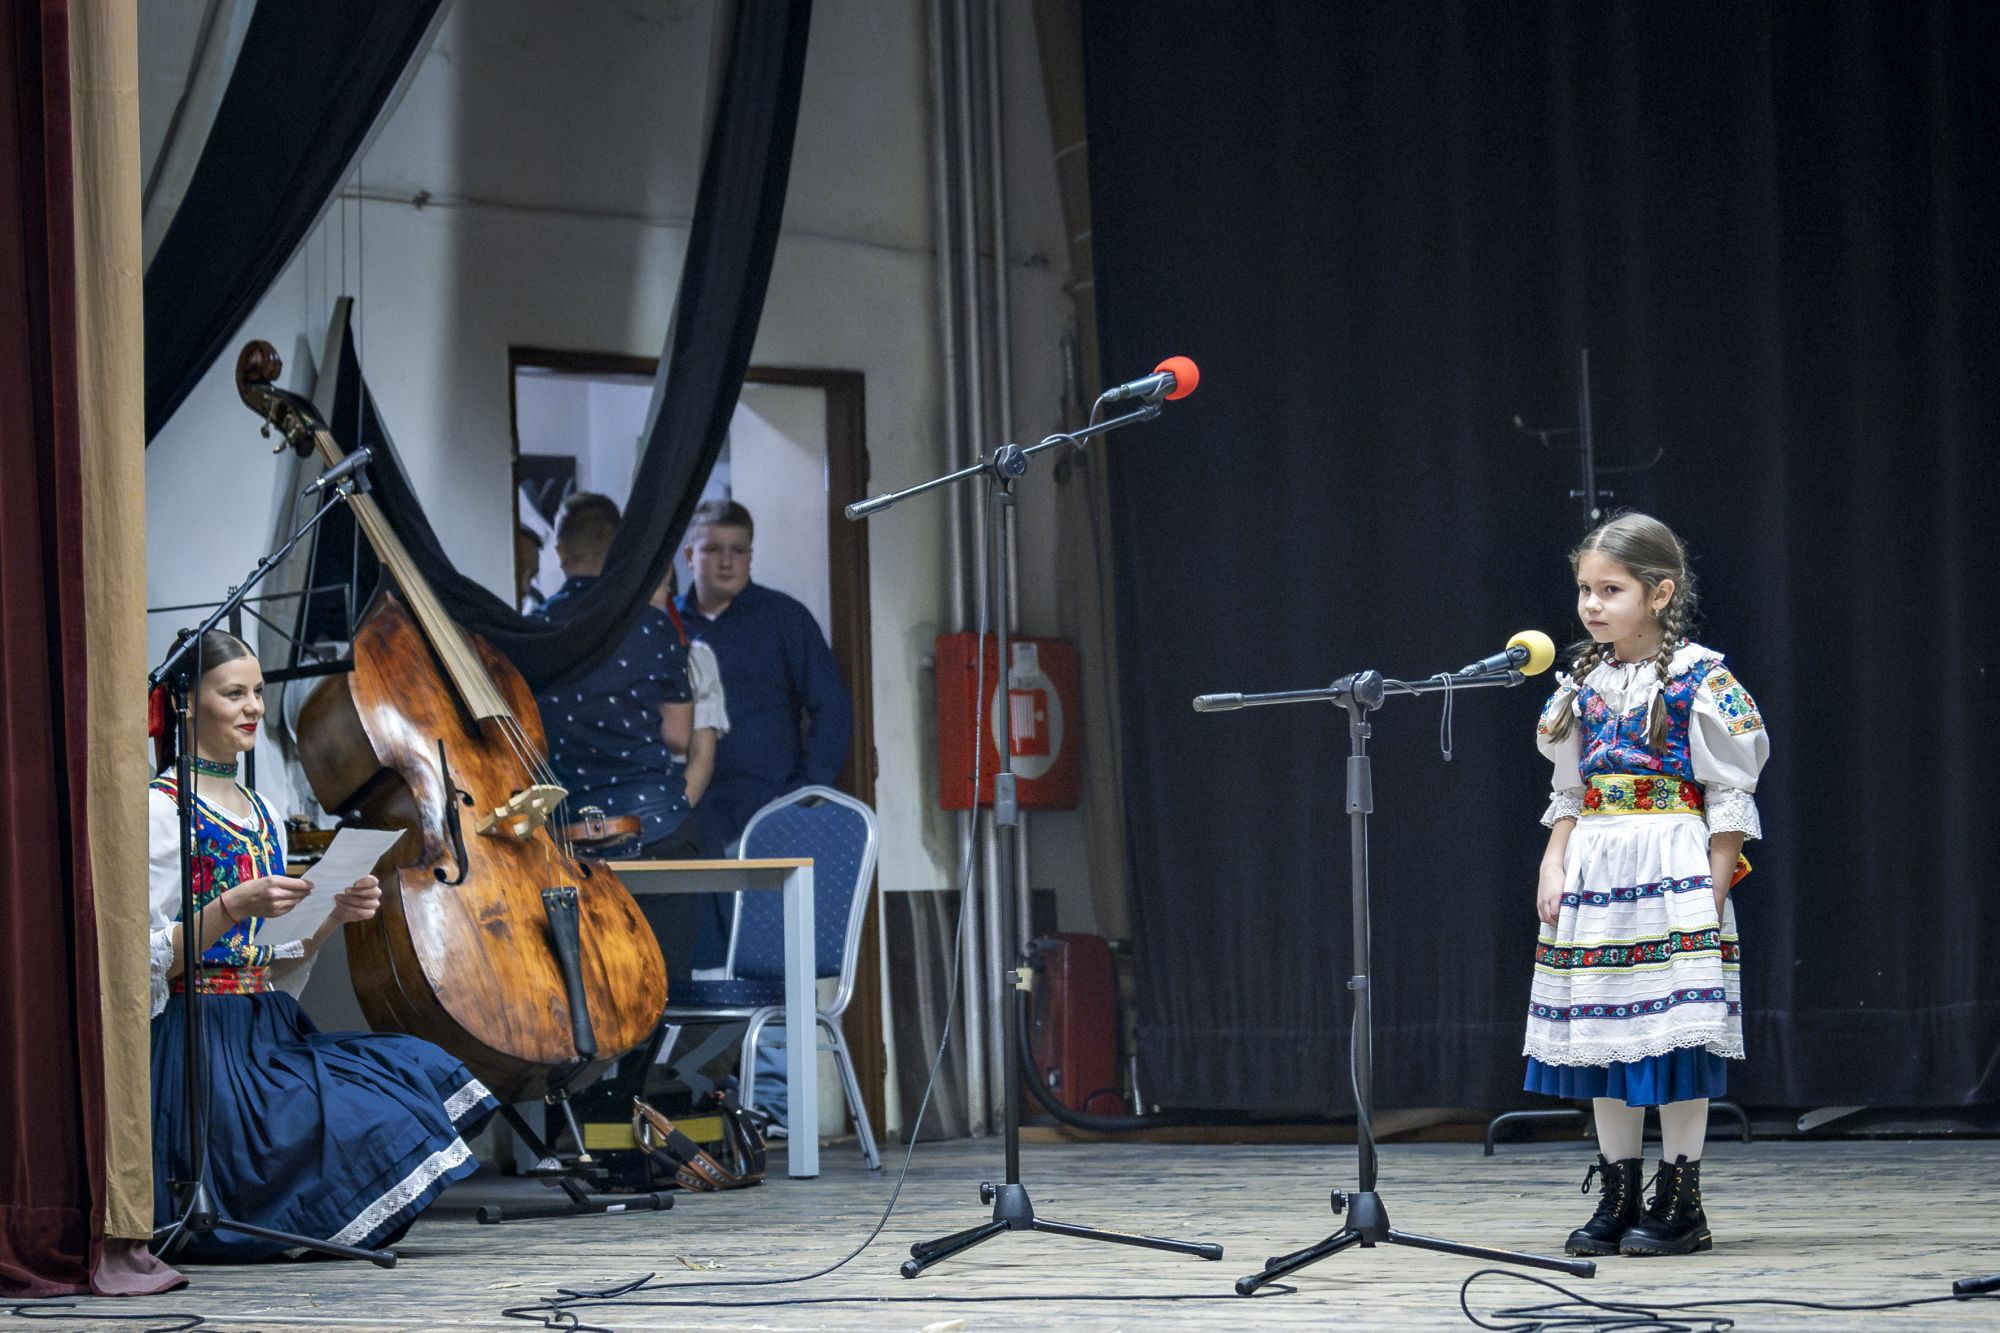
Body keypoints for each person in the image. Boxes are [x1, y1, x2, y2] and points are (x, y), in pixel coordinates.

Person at [148, 631, 497, 1260]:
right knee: (364, 1113)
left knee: (414, 1066)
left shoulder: (263, 811)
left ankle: (312, 1221)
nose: (254, 708)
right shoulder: (159, 810)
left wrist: (333, 915)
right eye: (234, 694)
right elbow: (138, 960)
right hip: (198, 1042)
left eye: (258, 692)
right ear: (187, 702)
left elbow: (276, 953)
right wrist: (231, 908)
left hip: (266, 1025)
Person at [1524, 513, 1770, 1258]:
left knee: (1672, 1034)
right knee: (1605, 1027)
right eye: (1585, 589)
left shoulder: (1701, 678)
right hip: (1599, 868)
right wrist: (1554, 861)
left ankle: (1681, 1197)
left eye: (1611, 589)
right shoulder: (1581, 685)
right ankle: (1619, 1190)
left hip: (1671, 867)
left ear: (1659, 593)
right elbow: (1571, 791)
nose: (1592, 604)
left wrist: (1712, 892)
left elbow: (1729, 795)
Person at [675, 499, 852, 1130]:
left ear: (751, 555)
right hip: (686, 825)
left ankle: (774, 1110)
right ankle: (700, 1098)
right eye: (713, 549)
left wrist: (807, 793)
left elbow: (831, 707)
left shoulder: (783, 618)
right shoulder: (667, 626)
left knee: (771, 965)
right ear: (690, 553)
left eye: (739, 550)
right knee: (696, 963)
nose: (726, 562)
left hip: (766, 821)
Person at [535, 493, 710, 973]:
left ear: (561, 553)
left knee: (583, 981)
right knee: (663, 978)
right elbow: (678, 737)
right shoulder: (653, 627)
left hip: (564, 838)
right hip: (657, 829)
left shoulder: (531, 632)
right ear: (619, 553)